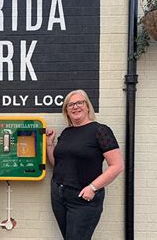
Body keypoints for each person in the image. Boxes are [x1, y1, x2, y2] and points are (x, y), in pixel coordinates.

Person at [46, 89, 124, 239]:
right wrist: (50, 145)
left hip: (83, 198)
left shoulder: (100, 131)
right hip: (59, 194)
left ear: (88, 106)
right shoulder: (67, 132)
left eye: (79, 103)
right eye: (70, 105)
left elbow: (117, 165)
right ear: (66, 111)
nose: (75, 107)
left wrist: (93, 187)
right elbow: (58, 164)